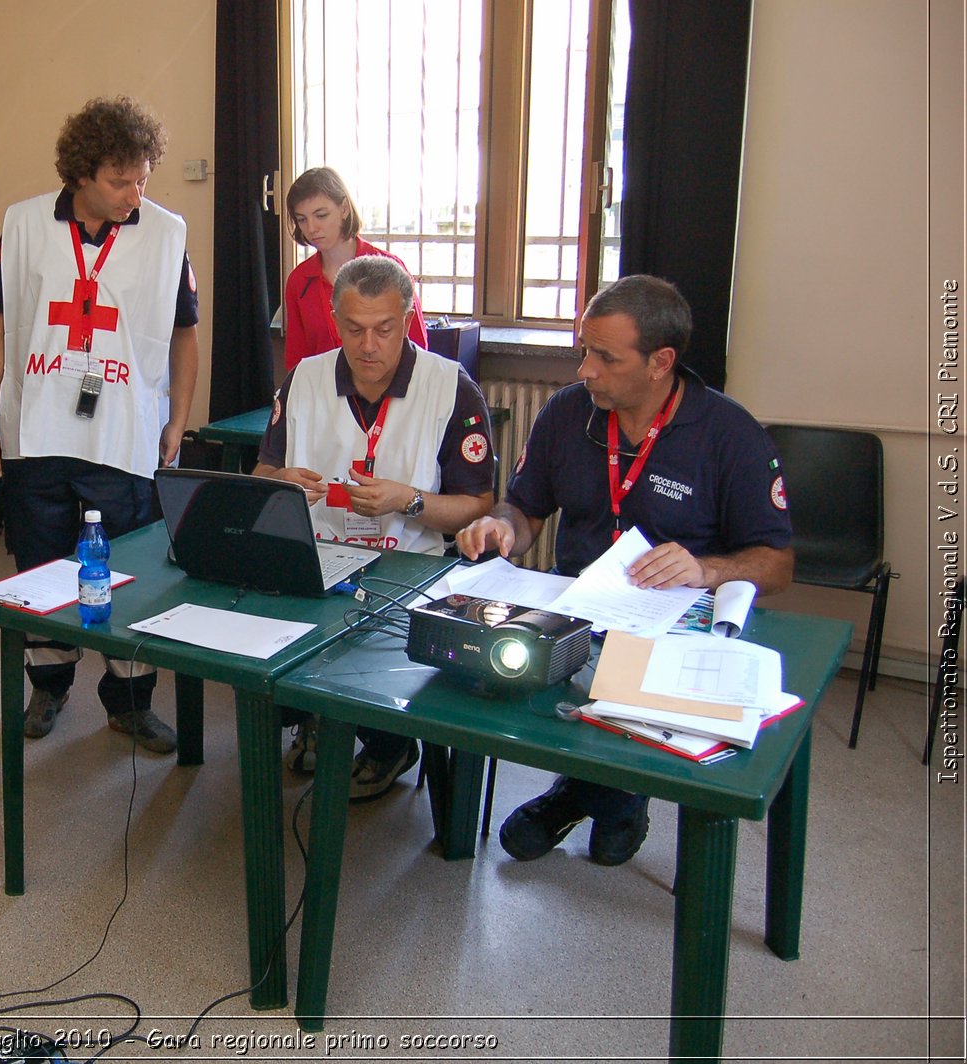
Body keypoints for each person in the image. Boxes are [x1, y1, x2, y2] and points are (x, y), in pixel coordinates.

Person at [455, 274, 794, 865]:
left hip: (674, 624)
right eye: (584, 350)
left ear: (661, 361)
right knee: (470, 675)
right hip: (576, 611)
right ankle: (604, 795)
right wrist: (506, 527)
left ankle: (588, 795)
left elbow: (778, 563)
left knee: (618, 682)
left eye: (605, 357)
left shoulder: (729, 434)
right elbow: (525, 507)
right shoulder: (566, 413)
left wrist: (707, 569)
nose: (585, 369)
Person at [0, 96, 200, 755]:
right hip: (37, 429)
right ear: (80, 175)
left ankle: (130, 702)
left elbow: (184, 335)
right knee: (40, 567)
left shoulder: (165, 232)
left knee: (127, 573)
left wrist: (177, 420)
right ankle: (49, 683)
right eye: (121, 180)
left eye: (144, 177)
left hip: (122, 434)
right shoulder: (22, 226)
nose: (136, 193)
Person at [255, 255, 495, 798]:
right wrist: (280, 483)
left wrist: (409, 501)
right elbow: (262, 473)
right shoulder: (305, 379)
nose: (368, 346)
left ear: (407, 317)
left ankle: (390, 744)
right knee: (256, 648)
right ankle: (315, 718)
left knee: (376, 652)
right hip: (316, 560)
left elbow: (479, 504)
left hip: (408, 571)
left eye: (385, 329)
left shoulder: (449, 386)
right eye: (354, 329)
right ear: (335, 320)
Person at [283, 166, 427, 373]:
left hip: (386, 394)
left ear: (344, 209)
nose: (312, 228)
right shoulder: (299, 280)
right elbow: (296, 362)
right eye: (302, 219)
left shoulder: (388, 269)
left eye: (321, 215)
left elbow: (417, 349)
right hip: (323, 398)